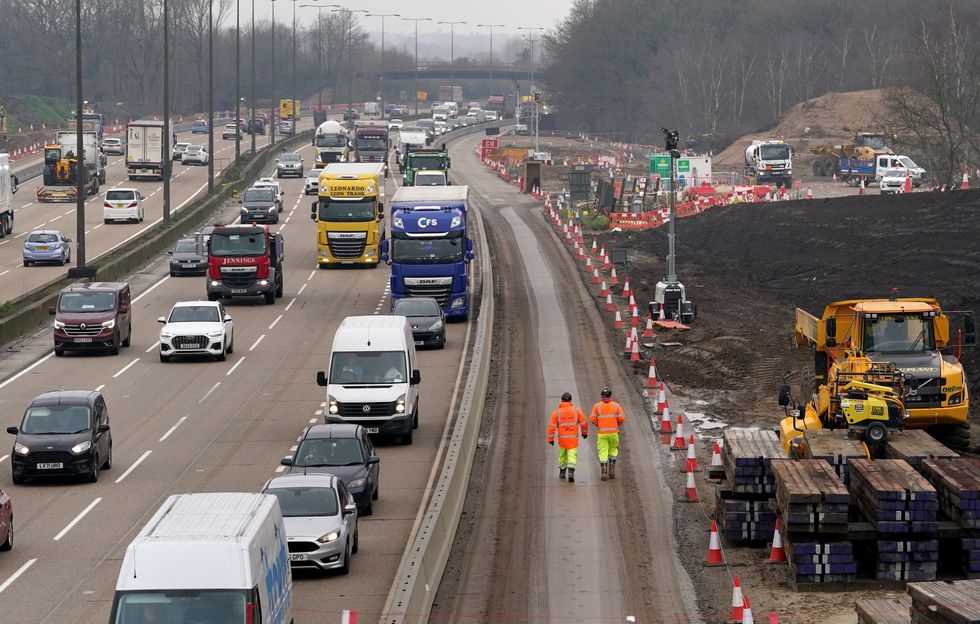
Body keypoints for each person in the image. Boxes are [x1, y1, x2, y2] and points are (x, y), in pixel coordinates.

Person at [547, 392, 587, 482]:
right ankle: (571, 472)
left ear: (562, 400)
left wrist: (550, 439)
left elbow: (551, 427)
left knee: (562, 455)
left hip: (562, 440)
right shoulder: (577, 411)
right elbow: (584, 423)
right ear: (570, 400)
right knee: (572, 455)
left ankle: (562, 471)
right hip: (573, 439)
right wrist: (584, 433)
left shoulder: (556, 413)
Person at [590, 387, 626, 481]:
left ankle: (604, 471)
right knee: (613, 451)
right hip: (614, 433)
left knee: (603, 452)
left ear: (602, 396)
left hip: (602, 434)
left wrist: (599, 425)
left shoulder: (597, 406)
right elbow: (621, 418)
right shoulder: (616, 406)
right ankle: (612, 471)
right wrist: (616, 424)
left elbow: (592, 419)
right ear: (610, 396)